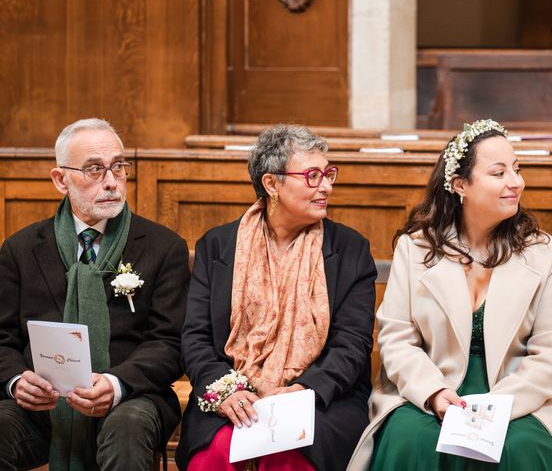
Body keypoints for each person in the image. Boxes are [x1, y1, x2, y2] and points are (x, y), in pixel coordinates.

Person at [348, 119, 552, 470]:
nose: (516, 182)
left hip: (525, 395)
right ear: (460, 185)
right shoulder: (414, 250)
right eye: (499, 173)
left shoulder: (546, 253)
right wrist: (433, 393)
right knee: (412, 439)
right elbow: (397, 339)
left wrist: (494, 407)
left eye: (517, 169)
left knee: (517, 446)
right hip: (436, 389)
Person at [176, 124, 377, 471]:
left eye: (328, 174)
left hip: (322, 397)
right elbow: (195, 338)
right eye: (312, 176)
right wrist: (228, 391)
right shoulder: (218, 246)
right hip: (233, 393)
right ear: (272, 184)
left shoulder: (350, 249)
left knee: (287, 455)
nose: (326, 186)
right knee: (218, 453)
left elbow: (353, 344)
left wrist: (303, 389)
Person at [0, 118, 190, 471]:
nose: (111, 182)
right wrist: (15, 381)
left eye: (119, 167)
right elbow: (2, 338)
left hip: (129, 397)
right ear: (61, 179)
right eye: (94, 169)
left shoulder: (164, 248)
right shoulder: (21, 250)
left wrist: (116, 384)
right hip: (42, 405)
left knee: (128, 428)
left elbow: (169, 342)